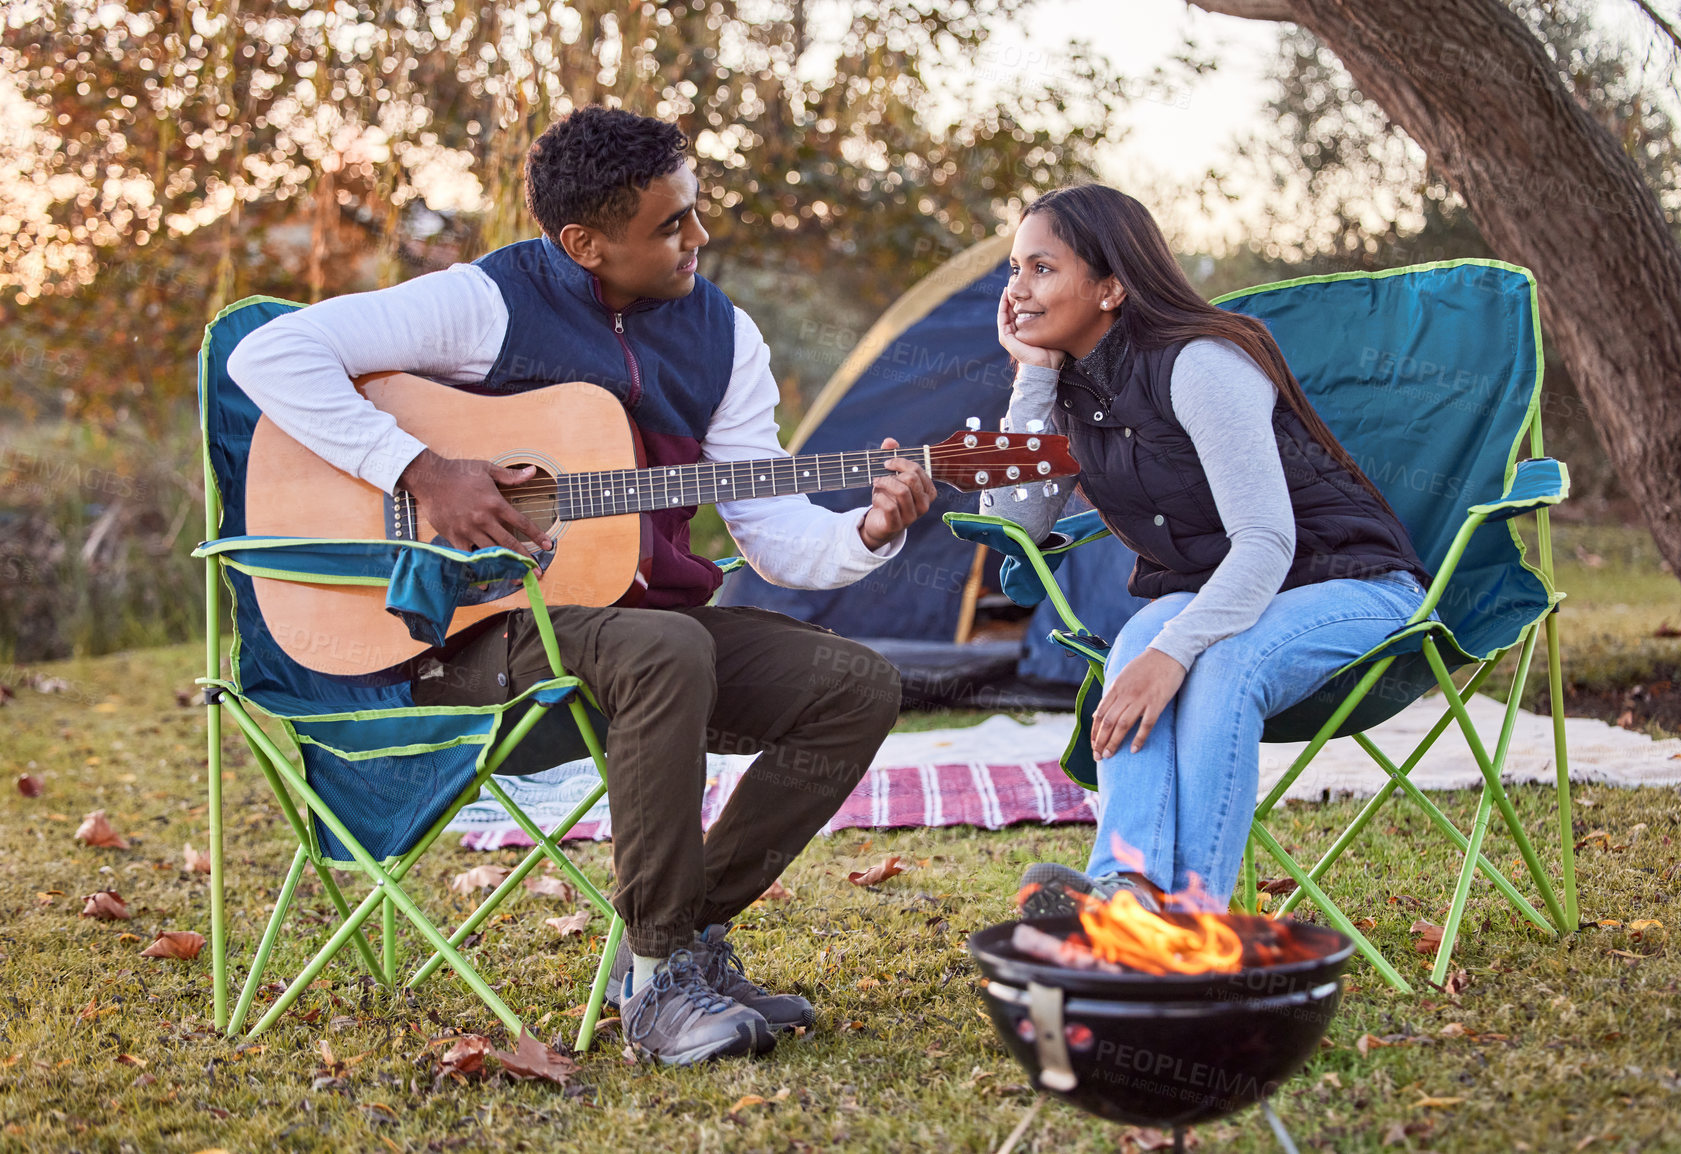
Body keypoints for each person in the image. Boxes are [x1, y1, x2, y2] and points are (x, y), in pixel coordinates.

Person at [229, 107, 936, 1065]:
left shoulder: (725, 336)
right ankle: (654, 992)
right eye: (671, 224)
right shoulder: (483, 304)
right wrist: (421, 469)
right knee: (672, 645)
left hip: (638, 647)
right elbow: (267, 355)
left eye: (695, 211)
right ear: (584, 243)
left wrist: (866, 529)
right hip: (464, 640)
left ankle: (682, 939)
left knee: (855, 686)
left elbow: (769, 534)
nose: (699, 237)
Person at [989, 185, 1431, 914]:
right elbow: (1016, 524)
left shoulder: (1198, 363)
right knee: (1138, 641)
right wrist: (1032, 378)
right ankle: (1124, 891)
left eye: (1041, 268)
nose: (1016, 291)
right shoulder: (1068, 386)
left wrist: (1176, 649)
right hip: (1221, 594)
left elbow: (1264, 543)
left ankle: (1194, 918)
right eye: (1014, 269)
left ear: (1110, 286)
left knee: (1212, 659)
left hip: (1352, 585)